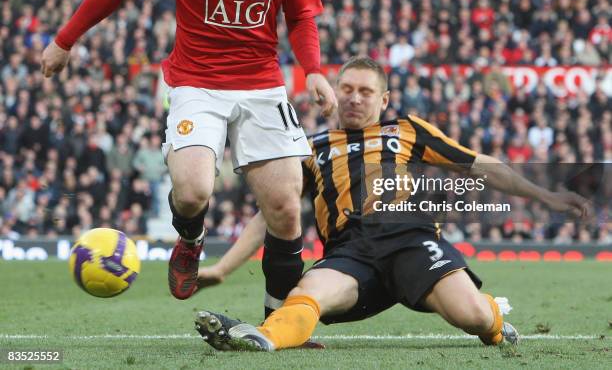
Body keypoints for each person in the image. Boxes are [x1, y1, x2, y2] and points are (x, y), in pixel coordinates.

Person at [40, 0, 337, 304]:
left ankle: (280, 319)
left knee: (286, 208)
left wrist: (312, 68)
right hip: (197, 85)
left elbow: (300, 16)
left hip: (262, 86)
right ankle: (190, 240)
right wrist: (65, 40)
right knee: (194, 191)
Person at [193, 56, 590, 352]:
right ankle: (263, 337)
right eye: (346, 89)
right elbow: (273, 214)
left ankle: (495, 321)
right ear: (334, 92)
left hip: (411, 240)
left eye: (365, 92)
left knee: (474, 318)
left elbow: (479, 165)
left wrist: (546, 195)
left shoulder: (407, 130)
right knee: (308, 293)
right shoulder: (309, 148)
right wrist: (223, 268)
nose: (354, 99)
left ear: (383, 99)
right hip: (351, 253)